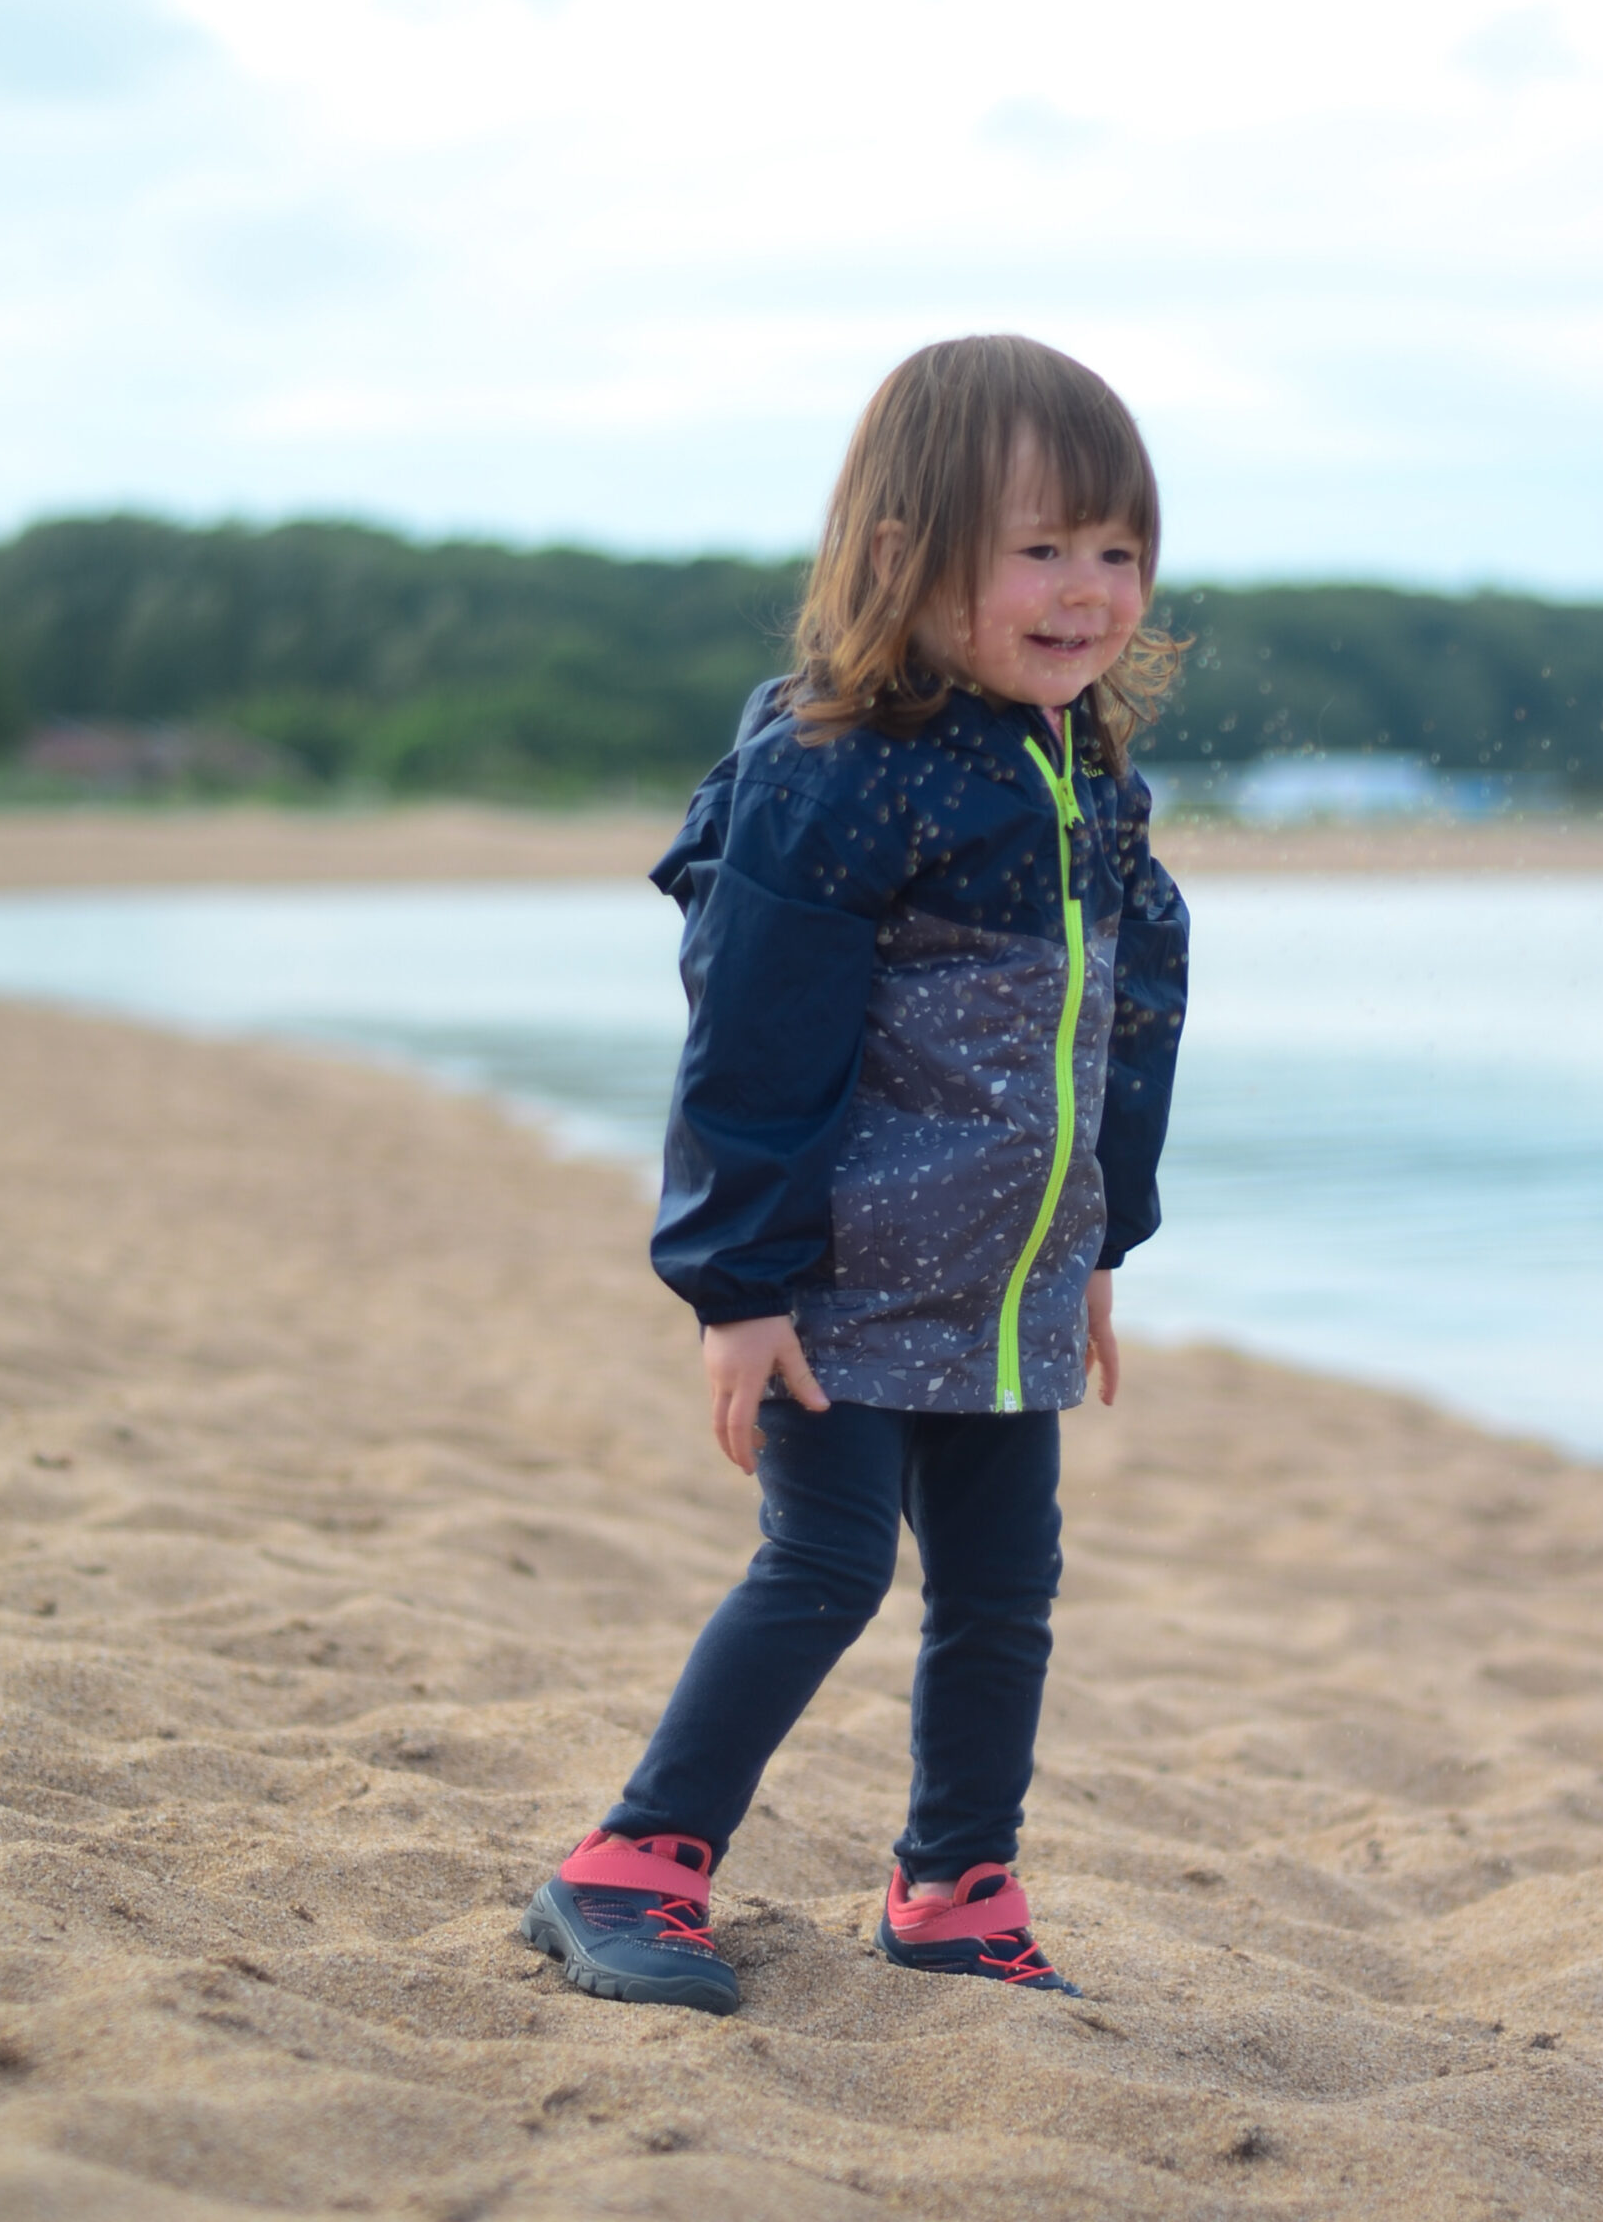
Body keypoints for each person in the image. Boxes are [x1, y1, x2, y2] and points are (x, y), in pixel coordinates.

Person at [521, 333, 1189, 2015]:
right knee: (825, 1570)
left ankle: (957, 1885)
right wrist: (735, 1285)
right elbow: (752, 1041)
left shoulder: (1084, 776)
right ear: (905, 556)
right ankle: (631, 1862)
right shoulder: (836, 773)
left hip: (1006, 1284)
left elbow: (1129, 1021)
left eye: (1119, 551)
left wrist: (1103, 1246)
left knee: (1005, 1594)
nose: (1088, 590)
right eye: (1041, 547)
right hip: (836, 1280)